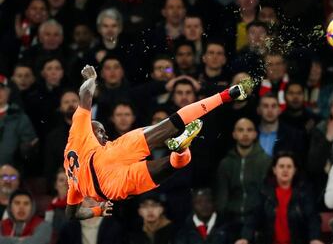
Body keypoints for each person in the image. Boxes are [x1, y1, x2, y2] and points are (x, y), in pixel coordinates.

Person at [64, 65, 251, 220]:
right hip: (105, 158)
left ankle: (181, 149)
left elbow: (71, 213)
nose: (105, 136)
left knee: (171, 166)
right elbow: (85, 95)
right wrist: (91, 78)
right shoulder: (80, 131)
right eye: (101, 132)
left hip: (110, 188)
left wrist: (97, 211)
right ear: (90, 129)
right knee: (168, 125)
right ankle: (225, 95)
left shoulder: (73, 183)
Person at [255, 151, 323, 244]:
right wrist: (245, 237)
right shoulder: (264, 192)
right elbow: (252, 218)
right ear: (274, 170)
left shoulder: (304, 193)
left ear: (295, 170)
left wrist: (315, 239)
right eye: (281, 166)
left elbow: (313, 218)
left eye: (289, 166)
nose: (285, 170)